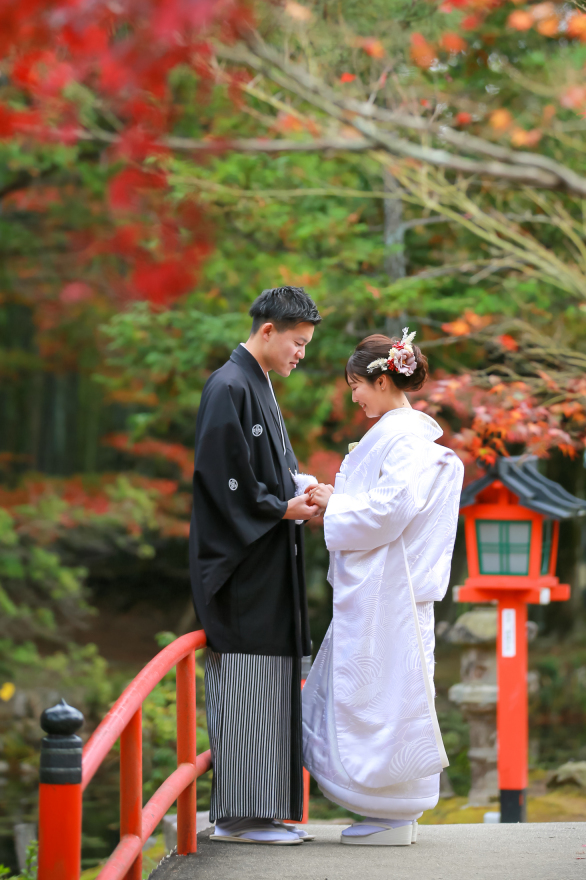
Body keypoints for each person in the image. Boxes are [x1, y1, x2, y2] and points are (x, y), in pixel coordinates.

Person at [302, 328, 464, 846]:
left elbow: (391, 510)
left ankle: (392, 810)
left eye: (356, 385)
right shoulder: (404, 436)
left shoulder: (405, 438)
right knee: (382, 692)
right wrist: (334, 497)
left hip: (389, 591)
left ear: (381, 378)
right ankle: (388, 810)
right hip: (388, 589)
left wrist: (333, 504)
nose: (354, 396)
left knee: (387, 694)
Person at [189, 285, 322, 845]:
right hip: (241, 570)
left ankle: (262, 813)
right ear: (267, 330)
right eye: (297, 342)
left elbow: (262, 469)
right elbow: (226, 479)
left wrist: (299, 486)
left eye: (307, 344)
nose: (301, 354)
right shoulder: (230, 385)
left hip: (265, 564)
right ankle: (242, 818)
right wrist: (279, 506)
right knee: (247, 682)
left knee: (269, 684)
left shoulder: (256, 382)